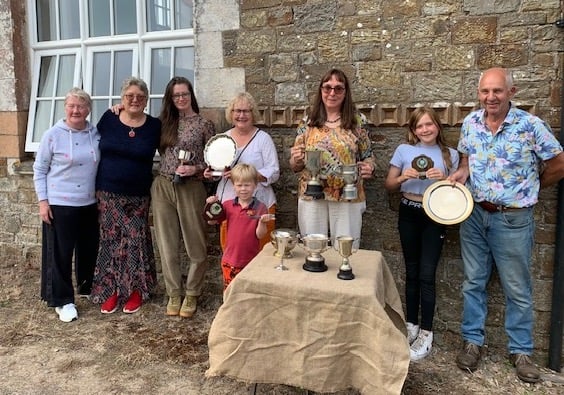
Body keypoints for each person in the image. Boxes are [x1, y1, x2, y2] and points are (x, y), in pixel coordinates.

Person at [448, 67, 564, 382]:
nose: (491, 97)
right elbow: (466, 164)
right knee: (473, 282)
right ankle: (472, 343)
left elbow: (558, 163)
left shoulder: (531, 126)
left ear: (511, 92)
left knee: (517, 288)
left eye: (497, 91)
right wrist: (458, 177)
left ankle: (521, 351)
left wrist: (534, 187)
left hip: (513, 219)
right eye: (485, 91)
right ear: (479, 93)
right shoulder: (471, 123)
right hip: (473, 215)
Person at [384, 106, 459, 361]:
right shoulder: (405, 151)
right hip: (408, 211)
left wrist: (444, 180)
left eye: (429, 124)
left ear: (437, 126)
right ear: (413, 130)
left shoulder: (450, 154)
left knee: (427, 274)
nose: (425, 130)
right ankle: (412, 325)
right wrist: (404, 177)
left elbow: (458, 192)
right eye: (419, 126)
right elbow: (389, 185)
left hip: (435, 216)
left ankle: (427, 332)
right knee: (412, 271)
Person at [91, 77, 161, 315]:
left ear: (146, 101)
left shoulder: (154, 126)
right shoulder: (109, 118)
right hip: (108, 191)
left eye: (140, 97)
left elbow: (170, 150)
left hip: (138, 195)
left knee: (136, 242)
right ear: (121, 99)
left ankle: (135, 291)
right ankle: (110, 291)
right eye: (129, 96)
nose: (134, 100)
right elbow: (89, 144)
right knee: (111, 242)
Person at [33, 87, 100, 322]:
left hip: (89, 203)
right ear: (65, 108)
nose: (76, 110)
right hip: (60, 203)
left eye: (81, 106)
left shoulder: (95, 134)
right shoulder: (53, 135)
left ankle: (86, 287)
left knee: (89, 248)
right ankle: (62, 300)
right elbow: (39, 169)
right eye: (71, 105)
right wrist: (43, 202)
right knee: (60, 254)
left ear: (88, 110)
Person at [152, 76, 216, 318]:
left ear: (191, 95)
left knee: (195, 244)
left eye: (184, 94)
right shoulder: (162, 124)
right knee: (167, 244)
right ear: (170, 98)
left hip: (192, 187)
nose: (180, 98)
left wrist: (195, 169)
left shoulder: (204, 124)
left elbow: (214, 161)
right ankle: (174, 293)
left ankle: (192, 293)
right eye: (176, 95)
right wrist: (119, 109)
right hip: (163, 186)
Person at [289, 68, 375, 248]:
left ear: (346, 92)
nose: (332, 93)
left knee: (346, 249)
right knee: (313, 249)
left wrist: (369, 167)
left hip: (347, 194)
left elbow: (368, 156)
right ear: (320, 90)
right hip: (312, 194)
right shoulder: (308, 122)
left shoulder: (358, 121)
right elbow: (295, 166)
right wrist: (296, 159)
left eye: (338, 88)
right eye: (327, 87)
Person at [203, 92, 279, 251]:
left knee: (260, 253)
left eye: (246, 111)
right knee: (232, 251)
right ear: (231, 114)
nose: (241, 115)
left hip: (259, 205)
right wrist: (211, 174)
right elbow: (218, 170)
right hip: (229, 206)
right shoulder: (222, 139)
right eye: (237, 111)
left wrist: (245, 174)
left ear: (253, 114)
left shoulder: (263, 139)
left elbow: (273, 172)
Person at [205, 163, 274, 290]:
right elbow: (212, 221)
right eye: (239, 185)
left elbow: (260, 235)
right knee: (230, 293)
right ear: (234, 186)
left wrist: (262, 222)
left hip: (251, 261)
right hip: (229, 260)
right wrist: (210, 205)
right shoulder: (227, 205)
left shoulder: (261, 207)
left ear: (255, 185)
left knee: (247, 294)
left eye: (247, 185)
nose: (243, 189)